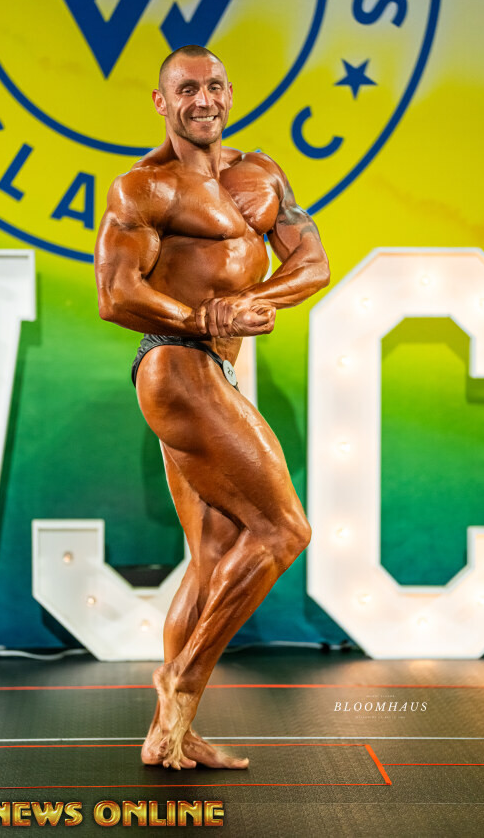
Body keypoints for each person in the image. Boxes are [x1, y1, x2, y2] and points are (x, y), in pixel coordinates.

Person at [94, 45, 330, 770]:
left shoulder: (262, 173)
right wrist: (204, 319)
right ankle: (182, 681)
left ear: (230, 93)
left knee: (214, 558)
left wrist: (248, 301)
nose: (205, 100)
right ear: (162, 102)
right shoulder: (144, 188)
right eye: (188, 88)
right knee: (284, 530)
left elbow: (312, 264)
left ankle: (171, 733)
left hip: (210, 368)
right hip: (175, 361)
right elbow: (116, 295)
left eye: (216, 86)